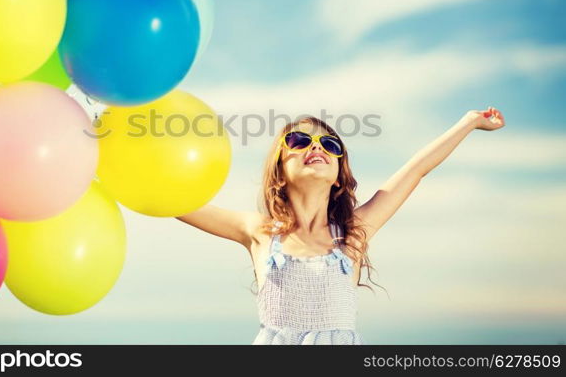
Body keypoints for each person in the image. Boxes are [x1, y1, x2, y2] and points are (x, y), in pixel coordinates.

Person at [176, 107, 506, 344]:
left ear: (338, 178)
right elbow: (173, 202)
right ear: (278, 170)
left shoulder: (354, 232)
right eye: (299, 141)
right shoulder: (260, 231)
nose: (315, 147)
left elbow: (417, 169)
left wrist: (470, 122)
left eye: (330, 145)